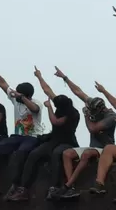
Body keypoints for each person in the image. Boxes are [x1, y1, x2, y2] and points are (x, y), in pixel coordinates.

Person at [6, 67, 81, 201]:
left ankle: (56, 187)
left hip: (67, 141)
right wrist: (39, 77)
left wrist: (49, 108)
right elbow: (48, 91)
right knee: (34, 154)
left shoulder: (72, 113)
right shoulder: (60, 104)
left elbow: (56, 121)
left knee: (56, 155)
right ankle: (23, 189)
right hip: (53, 139)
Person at [0, 54, 43, 202]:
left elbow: (35, 109)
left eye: (20, 94)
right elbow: (2, 83)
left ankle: (18, 187)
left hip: (32, 137)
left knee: (21, 153)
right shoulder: (16, 100)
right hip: (17, 136)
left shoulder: (36, 102)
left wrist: (22, 98)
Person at [51, 67, 116, 199]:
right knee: (67, 153)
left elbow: (93, 129)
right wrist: (64, 77)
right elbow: (78, 92)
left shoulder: (110, 116)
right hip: (92, 146)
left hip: (104, 149)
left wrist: (87, 115)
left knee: (86, 154)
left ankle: (67, 185)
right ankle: (72, 188)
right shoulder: (93, 104)